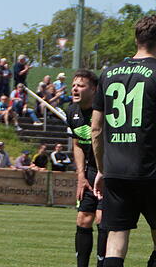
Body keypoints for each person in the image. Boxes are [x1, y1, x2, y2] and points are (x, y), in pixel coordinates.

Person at [91, 15, 156, 267]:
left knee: (115, 241)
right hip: (151, 169)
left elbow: (95, 129)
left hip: (116, 171)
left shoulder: (108, 73)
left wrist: (101, 169)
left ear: (135, 38)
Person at [65, 69, 107, 267]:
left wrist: (103, 171)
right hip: (89, 171)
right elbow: (77, 144)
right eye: (73, 85)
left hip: (109, 171)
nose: (75, 88)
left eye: (80, 85)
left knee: (102, 219)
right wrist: (80, 175)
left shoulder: (107, 110)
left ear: (94, 90)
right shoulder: (71, 111)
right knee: (83, 219)